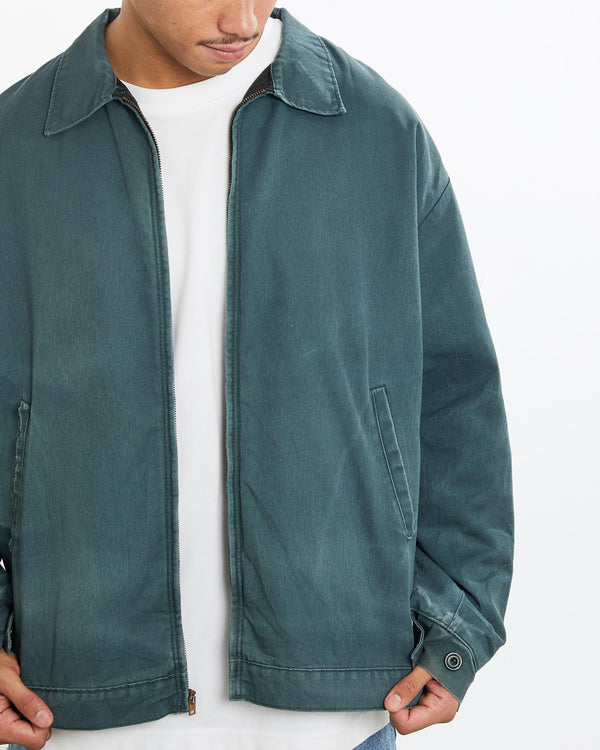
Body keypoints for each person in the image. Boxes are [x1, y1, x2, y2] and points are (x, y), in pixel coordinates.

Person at [0, 2, 514, 749]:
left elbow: (458, 401)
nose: (241, 18)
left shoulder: (377, 132)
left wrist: (457, 622)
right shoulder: (16, 149)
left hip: (338, 714)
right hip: (76, 714)